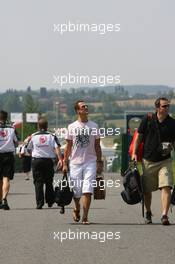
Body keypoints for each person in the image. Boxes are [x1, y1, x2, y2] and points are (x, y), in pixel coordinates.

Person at [132, 97, 175, 225]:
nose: (167, 108)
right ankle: (148, 212)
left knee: (166, 186)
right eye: (164, 106)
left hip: (165, 160)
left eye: (168, 106)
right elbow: (138, 137)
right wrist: (134, 153)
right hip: (148, 160)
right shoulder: (148, 119)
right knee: (147, 190)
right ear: (157, 107)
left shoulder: (172, 123)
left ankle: (164, 215)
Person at [63, 100, 103, 224]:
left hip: (90, 161)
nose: (86, 107)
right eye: (83, 106)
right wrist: (64, 162)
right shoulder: (71, 127)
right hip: (75, 162)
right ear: (78, 111)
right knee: (76, 191)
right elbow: (68, 146)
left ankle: (85, 217)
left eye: (86, 106)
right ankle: (77, 208)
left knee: (87, 190)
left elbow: (97, 145)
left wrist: (99, 161)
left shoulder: (94, 126)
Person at [24, 118, 63, 209]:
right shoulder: (52, 135)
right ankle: (50, 201)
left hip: (36, 161)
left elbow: (28, 148)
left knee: (38, 182)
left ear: (38, 126)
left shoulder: (33, 136)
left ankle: (39, 203)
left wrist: (33, 155)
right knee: (49, 181)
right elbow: (57, 148)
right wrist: (60, 159)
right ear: (47, 126)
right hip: (48, 161)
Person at [0, 110, 18, 210]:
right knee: (6, 178)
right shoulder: (11, 128)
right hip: (8, 155)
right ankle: (4, 199)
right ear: (6, 118)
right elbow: (16, 142)